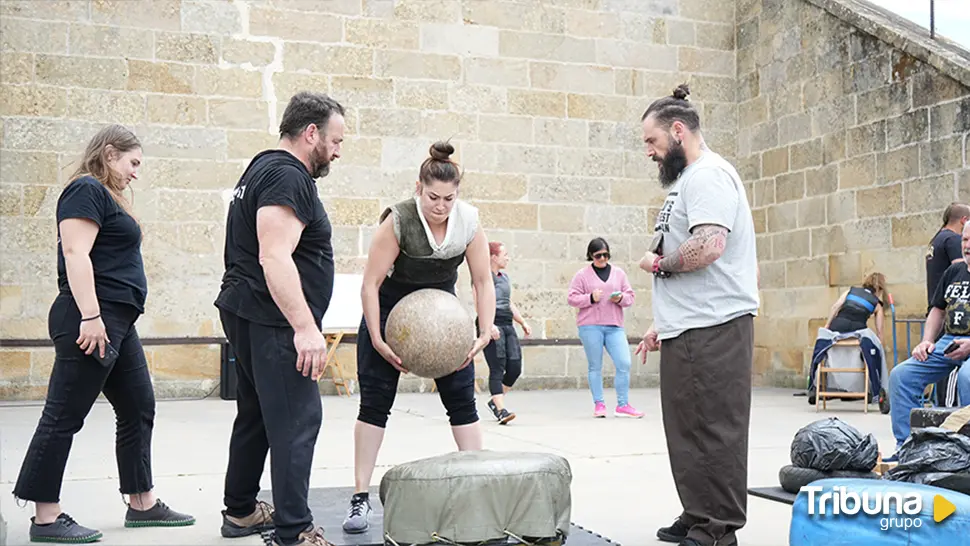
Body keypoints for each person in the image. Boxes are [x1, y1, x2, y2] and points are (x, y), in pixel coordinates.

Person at [12, 124, 195, 544]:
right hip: (92, 319)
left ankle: (142, 503)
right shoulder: (85, 190)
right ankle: (45, 517)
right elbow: (76, 252)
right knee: (64, 414)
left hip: (117, 321)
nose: (135, 173)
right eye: (132, 163)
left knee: (138, 404)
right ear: (109, 154)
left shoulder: (106, 196)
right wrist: (91, 316)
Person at [342, 141, 496, 535]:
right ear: (418, 188)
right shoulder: (399, 220)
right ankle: (360, 497)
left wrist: (483, 331)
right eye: (433, 197)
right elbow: (371, 284)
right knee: (375, 405)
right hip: (391, 311)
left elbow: (482, 281)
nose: (441, 205)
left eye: (449, 197)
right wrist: (376, 337)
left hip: (444, 317)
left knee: (462, 401)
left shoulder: (469, 221)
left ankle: (478, 490)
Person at [213, 91, 345, 546]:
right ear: (311, 133)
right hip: (273, 319)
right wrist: (306, 329)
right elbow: (274, 256)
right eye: (335, 139)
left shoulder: (260, 168)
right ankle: (295, 531)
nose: (338, 150)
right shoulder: (288, 176)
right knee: (296, 421)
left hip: (248, 310)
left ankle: (243, 511)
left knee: (256, 414)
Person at [634, 84, 759, 546]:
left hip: (716, 326)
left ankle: (719, 527)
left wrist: (660, 265)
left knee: (715, 427)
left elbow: (710, 244)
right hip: (689, 324)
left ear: (679, 131)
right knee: (687, 427)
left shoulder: (708, 176)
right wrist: (658, 324)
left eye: (652, 141)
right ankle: (699, 510)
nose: (649, 152)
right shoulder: (688, 181)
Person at [887, 220, 970, 461]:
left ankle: (964, 453)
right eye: (965, 240)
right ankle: (908, 449)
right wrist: (926, 341)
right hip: (950, 341)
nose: (967, 245)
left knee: (967, 377)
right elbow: (938, 309)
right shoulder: (954, 272)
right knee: (901, 376)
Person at [567, 237, 643, 419]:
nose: (602, 259)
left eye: (606, 255)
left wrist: (621, 299)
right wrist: (590, 298)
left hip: (614, 326)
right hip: (590, 326)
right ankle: (599, 404)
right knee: (595, 366)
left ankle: (623, 405)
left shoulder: (619, 274)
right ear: (591, 256)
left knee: (624, 363)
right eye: (598, 256)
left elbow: (630, 296)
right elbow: (572, 298)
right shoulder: (582, 275)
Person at [475, 241, 532, 425]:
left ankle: (495, 400)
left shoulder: (505, 277)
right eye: (504, 254)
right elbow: (479, 302)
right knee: (497, 366)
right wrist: (488, 324)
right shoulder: (482, 277)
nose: (507, 258)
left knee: (515, 366)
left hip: (507, 324)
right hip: (491, 323)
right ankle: (501, 410)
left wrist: (522, 321)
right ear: (493, 257)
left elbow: (508, 302)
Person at [925, 203, 969, 407]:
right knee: (951, 372)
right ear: (963, 221)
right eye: (966, 239)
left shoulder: (936, 239)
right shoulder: (952, 241)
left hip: (945, 312)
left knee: (959, 376)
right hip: (950, 314)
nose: (966, 244)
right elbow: (960, 269)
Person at [824, 272, 886, 338]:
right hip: (858, 330)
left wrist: (827, 325)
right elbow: (879, 332)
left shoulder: (850, 292)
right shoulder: (877, 304)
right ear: (880, 289)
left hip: (838, 325)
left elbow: (835, 307)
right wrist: (880, 347)